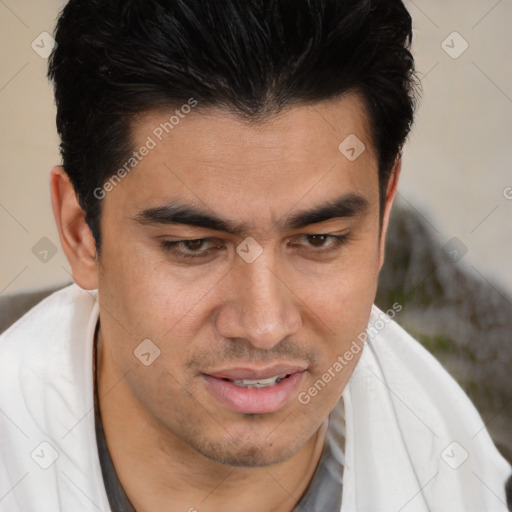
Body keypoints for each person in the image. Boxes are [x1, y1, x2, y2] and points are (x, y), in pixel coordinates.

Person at [0, 0, 510, 511]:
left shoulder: (478, 475)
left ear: (382, 217)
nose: (264, 326)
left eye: (318, 240)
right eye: (193, 246)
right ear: (80, 233)